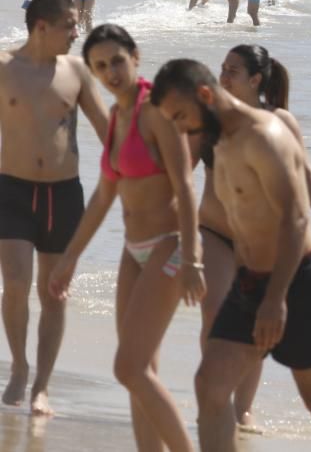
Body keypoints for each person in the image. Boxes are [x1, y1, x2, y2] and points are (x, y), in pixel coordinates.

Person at [149, 59, 311, 452]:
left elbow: (294, 220)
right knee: (210, 386)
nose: (182, 128)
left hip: (297, 280)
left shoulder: (265, 134)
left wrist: (274, 300)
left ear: (204, 96)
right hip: (251, 281)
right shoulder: (216, 136)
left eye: (182, 116)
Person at [48, 25, 205, 448]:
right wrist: (69, 258)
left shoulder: (156, 110)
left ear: (135, 56)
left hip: (169, 248)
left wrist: (192, 260)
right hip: (133, 251)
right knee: (140, 373)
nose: (110, 72)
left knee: (129, 368)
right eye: (100, 66)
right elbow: (103, 197)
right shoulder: (118, 115)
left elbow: (186, 187)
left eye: (116, 60)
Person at [196, 45, 311, 429]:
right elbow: (180, 168)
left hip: (261, 244)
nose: (223, 76)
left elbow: (307, 173)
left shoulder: (279, 122)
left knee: (254, 325)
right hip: (212, 230)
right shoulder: (211, 120)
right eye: (221, 68)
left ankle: (243, 407)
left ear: (256, 79)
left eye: (233, 70)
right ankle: (217, 399)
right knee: (214, 315)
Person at [0, 0, 108, 415]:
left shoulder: (77, 71)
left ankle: (42, 385)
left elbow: (106, 131)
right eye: (69, 24)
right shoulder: (6, 69)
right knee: (15, 280)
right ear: (41, 26)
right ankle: (20, 367)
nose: (77, 32)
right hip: (11, 190)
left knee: (54, 293)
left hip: (63, 195)